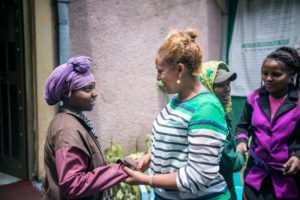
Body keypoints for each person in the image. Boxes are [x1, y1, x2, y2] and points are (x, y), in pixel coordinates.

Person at [123, 29, 231, 200]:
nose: (158, 78)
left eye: (160, 71)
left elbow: (198, 177)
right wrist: (150, 158)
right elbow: (177, 141)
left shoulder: (206, 109)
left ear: (180, 70)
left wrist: (148, 180)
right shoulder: (179, 99)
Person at [43, 56, 128, 200]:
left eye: (93, 86)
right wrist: (120, 170)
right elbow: (73, 185)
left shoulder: (74, 119)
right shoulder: (67, 130)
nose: (95, 93)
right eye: (87, 89)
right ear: (66, 93)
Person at [235, 46, 300, 199]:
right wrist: (241, 141)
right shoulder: (254, 99)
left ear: (290, 74)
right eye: (265, 73)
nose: (268, 78)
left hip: (287, 181)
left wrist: (298, 155)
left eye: (276, 74)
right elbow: (242, 127)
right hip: (255, 178)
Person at [200, 61, 244, 200]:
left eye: (228, 84)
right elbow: (230, 161)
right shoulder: (213, 119)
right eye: (220, 85)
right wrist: (241, 154)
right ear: (206, 86)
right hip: (217, 192)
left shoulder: (218, 112)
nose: (227, 89)